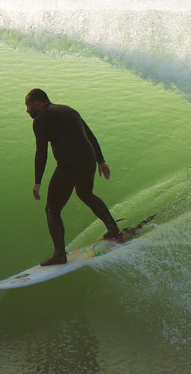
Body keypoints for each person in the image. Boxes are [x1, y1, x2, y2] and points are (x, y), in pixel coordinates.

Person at [25, 88, 121, 266]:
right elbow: (90, 135)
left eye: (28, 106)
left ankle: (59, 254)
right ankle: (113, 229)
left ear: (37, 103)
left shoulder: (40, 120)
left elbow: (41, 153)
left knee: (52, 209)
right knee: (86, 194)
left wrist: (37, 181)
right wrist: (101, 161)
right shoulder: (69, 110)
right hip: (88, 161)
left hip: (69, 165)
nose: (27, 110)